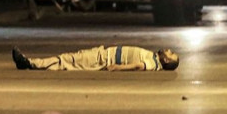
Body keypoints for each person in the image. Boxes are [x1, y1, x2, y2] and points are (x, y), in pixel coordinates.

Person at [12, 45, 179, 71]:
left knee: (67, 59)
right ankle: (32, 64)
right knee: (70, 61)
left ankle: (29, 63)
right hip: (103, 54)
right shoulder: (154, 57)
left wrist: (118, 67)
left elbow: (138, 66)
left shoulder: (154, 63)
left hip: (104, 59)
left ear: (166, 61)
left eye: (171, 54)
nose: (169, 50)